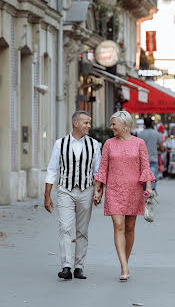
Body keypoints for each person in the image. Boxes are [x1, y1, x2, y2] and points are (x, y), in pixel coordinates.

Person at [93, 111, 155, 282]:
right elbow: (103, 167)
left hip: (134, 190)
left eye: (114, 124)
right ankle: (124, 266)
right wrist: (98, 187)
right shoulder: (108, 144)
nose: (111, 127)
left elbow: (145, 167)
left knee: (129, 227)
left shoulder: (139, 143)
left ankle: (125, 261)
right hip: (114, 189)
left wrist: (148, 188)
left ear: (125, 125)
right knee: (118, 225)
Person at [44, 110, 101, 280]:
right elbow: (52, 170)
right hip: (65, 191)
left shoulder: (94, 144)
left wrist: (98, 191)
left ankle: (79, 266)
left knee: (82, 230)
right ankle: (66, 266)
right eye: (86, 123)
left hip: (86, 190)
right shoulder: (60, 144)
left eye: (89, 123)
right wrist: (47, 196)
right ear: (75, 123)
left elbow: (98, 172)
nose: (89, 126)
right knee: (65, 228)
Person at [138, 117, 165, 192]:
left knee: (143, 176)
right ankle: (150, 193)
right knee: (153, 177)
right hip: (153, 158)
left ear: (144, 124)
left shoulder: (140, 134)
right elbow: (162, 147)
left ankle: (145, 192)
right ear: (152, 124)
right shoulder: (156, 134)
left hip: (142, 159)